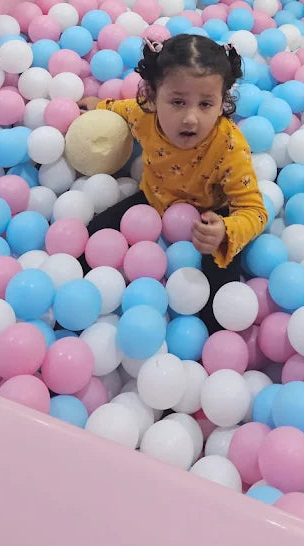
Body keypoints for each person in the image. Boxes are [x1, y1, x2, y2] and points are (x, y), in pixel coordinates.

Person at [81, 33, 267, 332]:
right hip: (154, 199)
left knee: (218, 286)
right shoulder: (144, 115)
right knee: (91, 238)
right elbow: (119, 109)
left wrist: (226, 230)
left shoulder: (229, 146)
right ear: (153, 96)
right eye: (178, 102)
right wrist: (97, 107)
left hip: (209, 216)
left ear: (222, 103)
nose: (191, 118)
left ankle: (213, 338)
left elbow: (255, 210)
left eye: (206, 104)